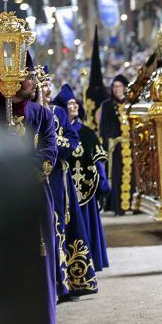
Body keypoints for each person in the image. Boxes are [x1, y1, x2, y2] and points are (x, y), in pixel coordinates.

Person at [0, 63, 58, 324]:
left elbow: (49, 151)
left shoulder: (41, 113)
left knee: (38, 269)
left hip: (34, 198)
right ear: (13, 79)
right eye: (30, 77)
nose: (35, 83)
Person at [48, 81, 98, 299]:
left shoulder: (57, 112)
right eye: (41, 84)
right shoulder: (28, 112)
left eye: (47, 84)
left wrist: (54, 144)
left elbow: (73, 140)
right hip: (38, 179)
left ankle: (69, 283)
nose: (45, 88)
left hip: (60, 177)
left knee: (65, 227)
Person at [64, 85, 110, 272]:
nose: (74, 107)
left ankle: (92, 261)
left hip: (87, 188)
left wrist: (103, 182)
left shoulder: (87, 133)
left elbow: (98, 161)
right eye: (69, 104)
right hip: (68, 191)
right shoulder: (58, 133)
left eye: (75, 103)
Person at [96, 74, 130, 215]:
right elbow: (104, 127)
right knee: (115, 174)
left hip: (130, 145)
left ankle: (131, 205)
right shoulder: (107, 105)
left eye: (119, 86)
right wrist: (108, 142)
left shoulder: (130, 103)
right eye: (114, 87)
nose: (117, 89)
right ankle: (117, 206)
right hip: (115, 146)